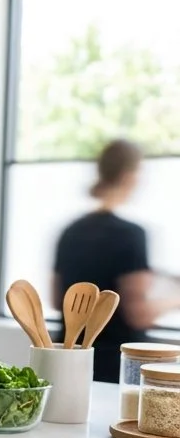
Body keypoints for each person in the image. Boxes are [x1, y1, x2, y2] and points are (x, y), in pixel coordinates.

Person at [52, 138, 180, 382]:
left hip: (71, 360)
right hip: (118, 368)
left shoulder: (70, 231)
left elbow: (59, 300)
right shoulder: (131, 234)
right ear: (128, 175)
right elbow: (138, 314)